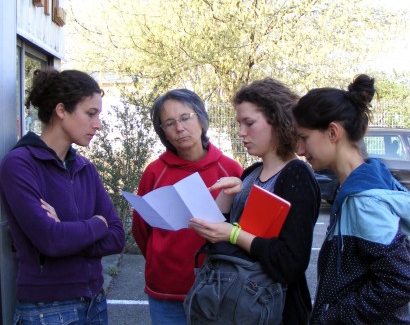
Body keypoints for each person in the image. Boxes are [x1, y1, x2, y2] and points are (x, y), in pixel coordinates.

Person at [188, 78, 321, 324]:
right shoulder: (250, 173)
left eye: (249, 123)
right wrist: (226, 198)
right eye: (239, 124)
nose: (241, 133)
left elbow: (290, 263)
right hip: (233, 304)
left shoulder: (296, 175)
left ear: (278, 121)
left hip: (272, 308)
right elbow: (218, 235)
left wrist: (233, 234)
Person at [0, 68, 125, 324]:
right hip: (46, 311)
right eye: (91, 113)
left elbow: (117, 237)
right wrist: (96, 224)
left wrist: (68, 232)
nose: (98, 124)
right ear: (61, 111)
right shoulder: (20, 164)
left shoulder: (84, 168)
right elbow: (51, 240)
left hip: (96, 305)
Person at [293, 74, 410, 324]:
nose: (300, 150)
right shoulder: (369, 181)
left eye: (304, 137)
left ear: (333, 132)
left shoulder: (364, 202)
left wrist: (331, 318)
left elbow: (401, 280)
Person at [131, 89, 243, 324]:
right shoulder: (154, 172)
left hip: (219, 289)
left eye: (185, 118)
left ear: (201, 119)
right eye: (169, 123)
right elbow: (141, 229)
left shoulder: (231, 170)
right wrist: (158, 258)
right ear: (163, 133)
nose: (179, 128)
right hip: (166, 291)